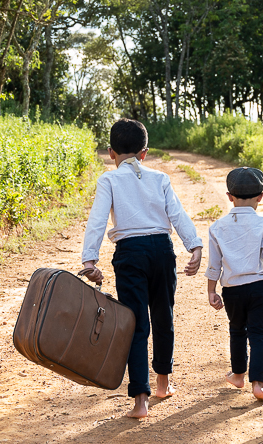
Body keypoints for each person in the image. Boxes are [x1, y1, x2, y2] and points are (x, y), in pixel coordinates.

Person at [79, 119, 203, 419]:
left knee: (134, 323)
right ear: (144, 154)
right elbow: (178, 214)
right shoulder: (160, 178)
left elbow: (97, 220)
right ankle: (163, 383)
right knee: (164, 315)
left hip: (130, 254)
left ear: (111, 153)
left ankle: (140, 401)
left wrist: (89, 260)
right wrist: (195, 246)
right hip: (162, 250)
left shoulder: (108, 180)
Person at [205, 167, 263, 403]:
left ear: (229, 196)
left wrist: (211, 291)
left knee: (237, 330)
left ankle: (238, 374)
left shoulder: (217, 227)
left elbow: (214, 264)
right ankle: (258, 383)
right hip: (259, 288)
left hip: (232, 291)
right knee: (259, 335)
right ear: (261, 196)